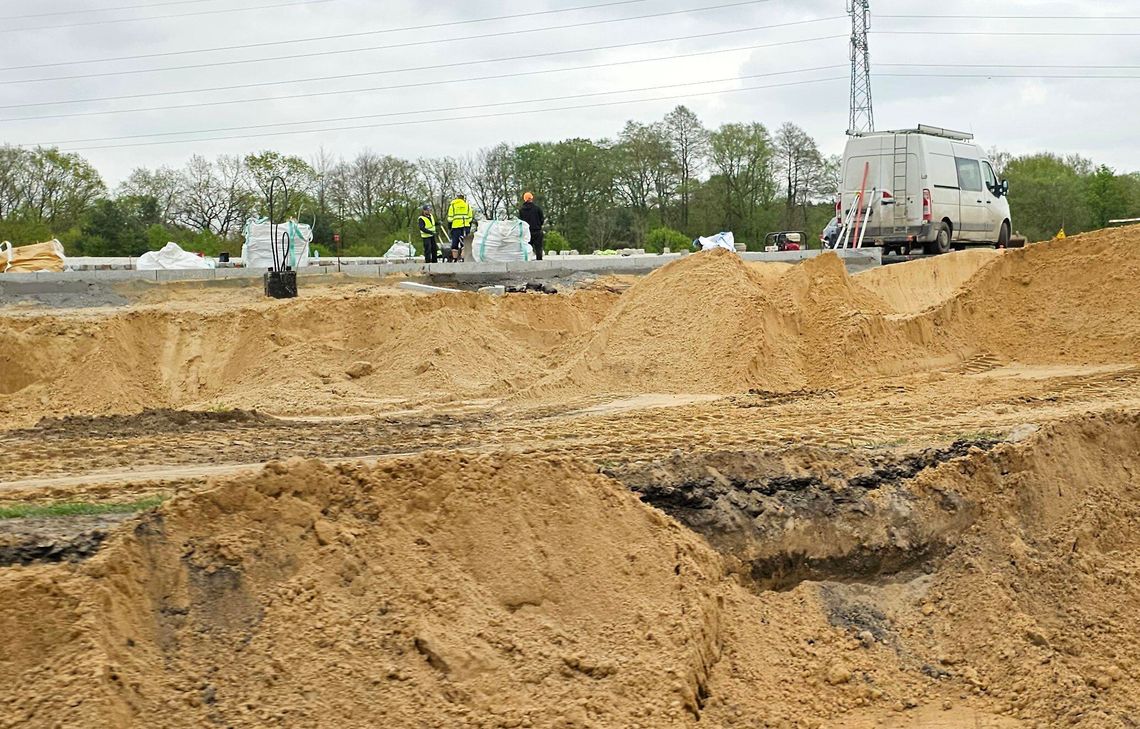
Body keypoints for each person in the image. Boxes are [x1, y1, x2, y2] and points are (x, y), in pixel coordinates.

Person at [518, 192, 545, 260]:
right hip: (537, 231)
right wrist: (538, 225)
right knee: (538, 249)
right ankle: (539, 264)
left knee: (527, 249)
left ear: (524, 199)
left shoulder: (521, 210)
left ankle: (527, 264)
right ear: (531, 198)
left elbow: (520, 222)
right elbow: (542, 219)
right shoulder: (537, 208)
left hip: (526, 233)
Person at [446, 193, 473, 262]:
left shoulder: (453, 205)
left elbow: (450, 218)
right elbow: (470, 217)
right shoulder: (467, 205)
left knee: (455, 243)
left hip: (456, 226)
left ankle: (455, 259)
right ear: (463, 198)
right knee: (464, 243)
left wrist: (450, 225)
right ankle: (463, 258)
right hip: (465, 226)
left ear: (457, 198)